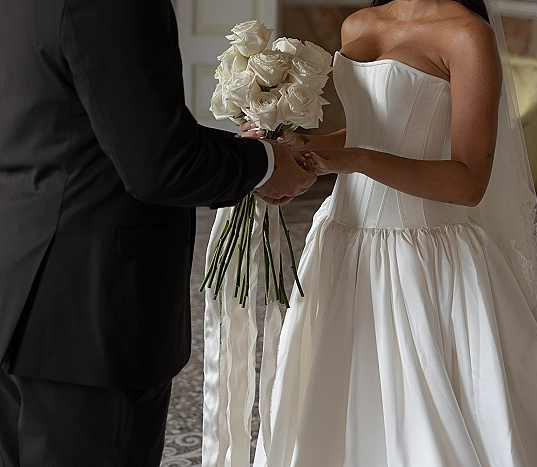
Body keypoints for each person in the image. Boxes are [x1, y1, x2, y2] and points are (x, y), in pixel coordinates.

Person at [242, 0, 537, 465]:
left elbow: (467, 182)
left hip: (420, 250)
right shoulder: (357, 23)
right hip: (341, 237)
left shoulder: (466, 35)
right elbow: (369, 127)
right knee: (336, 383)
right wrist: (289, 149)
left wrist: (353, 161)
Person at [0, 1, 316, 466]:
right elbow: (159, 164)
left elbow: (93, 129)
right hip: (92, 312)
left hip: (23, 287)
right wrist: (264, 165)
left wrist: (243, 153)